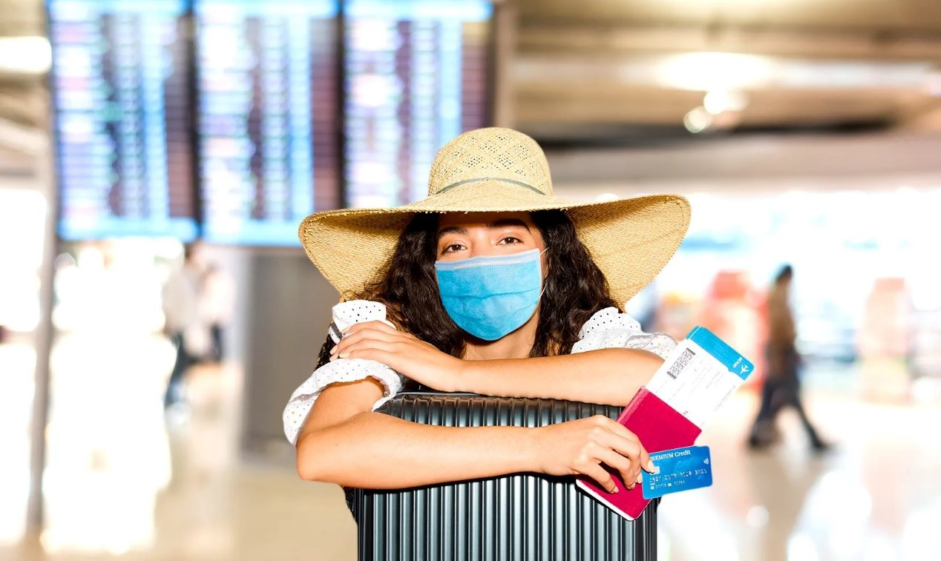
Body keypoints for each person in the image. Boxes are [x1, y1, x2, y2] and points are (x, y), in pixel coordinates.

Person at [283, 127, 691, 494]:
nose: (481, 261)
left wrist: (455, 373)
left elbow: (665, 380)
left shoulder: (590, 332)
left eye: (509, 239)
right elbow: (324, 450)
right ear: (430, 267)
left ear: (552, 257)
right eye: (455, 246)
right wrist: (537, 446)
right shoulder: (390, 335)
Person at [747, 264, 831, 452]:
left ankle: (755, 436)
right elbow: (779, 328)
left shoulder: (776, 293)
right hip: (781, 351)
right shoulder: (779, 295)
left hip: (780, 351)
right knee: (791, 396)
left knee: (770, 398)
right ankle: (813, 439)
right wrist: (781, 356)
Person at [162, 243, 208, 408]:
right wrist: (169, 321)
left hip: (190, 326)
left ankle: (178, 392)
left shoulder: (196, 276)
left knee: (186, 362)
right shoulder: (177, 277)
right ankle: (171, 395)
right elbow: (169, 302)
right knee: (181, 362)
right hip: (180, 325)